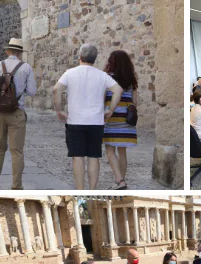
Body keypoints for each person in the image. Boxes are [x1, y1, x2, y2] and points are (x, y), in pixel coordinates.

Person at [53, 43, 123, 190]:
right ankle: (92, 190)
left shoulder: (69, 73)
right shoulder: (102, 75)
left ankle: (80, 189)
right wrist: (110, 110)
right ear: (94, 59)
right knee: (93, 157)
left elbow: (56, 89)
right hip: (96, 122)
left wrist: (58, 110)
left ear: (80, 56)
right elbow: (118, 90)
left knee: (77, 157)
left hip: (75, 121)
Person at [0, 38, 37, 190]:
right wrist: (18, 94)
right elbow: (32, 91)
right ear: (20, 52)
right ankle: (16, 186)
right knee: (17, 151)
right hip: (16, 112)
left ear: (8, 51)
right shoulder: (26, 67)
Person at [102, 50, 139, 190]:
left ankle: (120, 181)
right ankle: (120, 181)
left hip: (111, 116)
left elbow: (103, 97)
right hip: (126, 118)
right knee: (122, 151)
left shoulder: (107, 77)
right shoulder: (132, 79)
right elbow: (135, 101)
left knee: (110, 150)